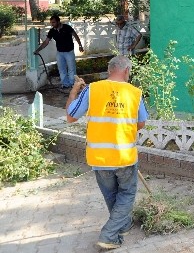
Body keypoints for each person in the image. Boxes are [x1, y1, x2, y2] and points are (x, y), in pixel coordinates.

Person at [66, 55, 148, 250]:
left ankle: (122, 226)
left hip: (99, 157)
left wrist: (74, 91)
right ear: (127, 71)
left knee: (112, 195)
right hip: (124, 156)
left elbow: (70, 117)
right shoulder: (135, 93)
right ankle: (109, 235)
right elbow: (141, 123)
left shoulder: (92, 90)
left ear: (110, 70)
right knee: (126, 195)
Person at [34, 14, 84, 89]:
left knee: (71, 69)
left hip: (69, 52)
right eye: (51, 23)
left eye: (53, 22)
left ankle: (72, 84)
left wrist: (80, 45)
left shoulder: (67, 27)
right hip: (60, 53)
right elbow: (46, 42)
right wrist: (38, 50)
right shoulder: (52, 31)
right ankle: (65, 84)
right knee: (61, 69)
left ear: (58, 21)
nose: (52, 24)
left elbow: (75, 35)